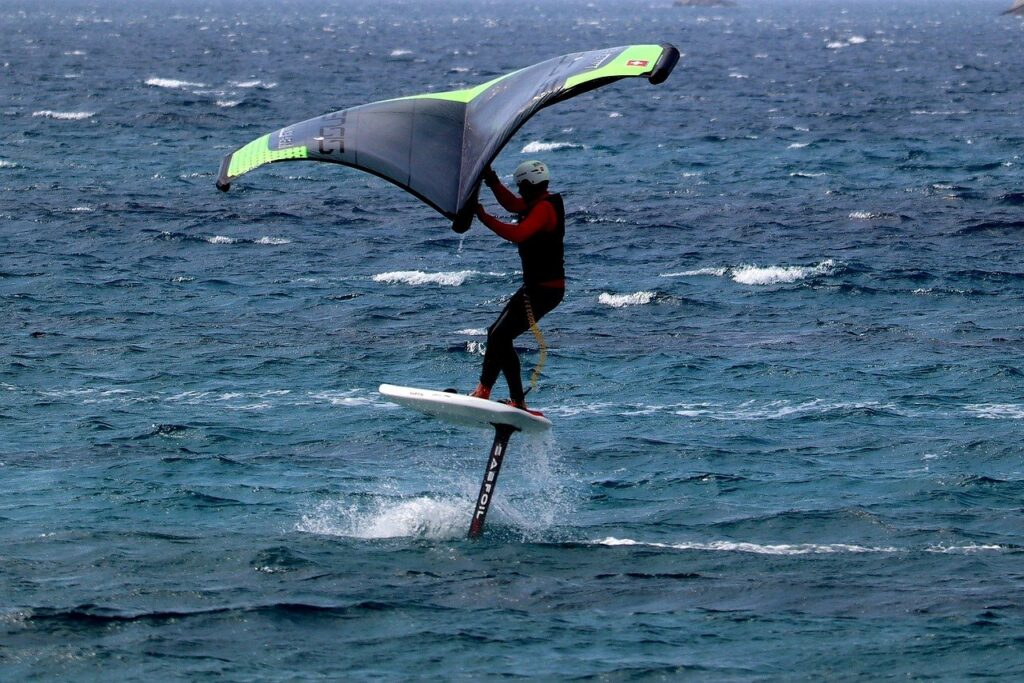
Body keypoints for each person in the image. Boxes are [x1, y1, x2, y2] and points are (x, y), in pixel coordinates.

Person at [469, 160, 565, 412]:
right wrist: (492, 181)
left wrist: (484, 217)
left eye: (521, 187)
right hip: (536, 287)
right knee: (495, 334)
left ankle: (518, 401)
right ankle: (483, 390)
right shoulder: (537, 202)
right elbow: (513, 205)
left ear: (528, 185)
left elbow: (518, 234)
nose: (519, 192)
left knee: (501, 336)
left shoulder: (544, 208)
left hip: (545, 290)